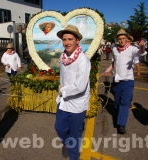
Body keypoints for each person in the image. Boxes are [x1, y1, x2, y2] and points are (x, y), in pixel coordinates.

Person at [54, 25, 91, 160]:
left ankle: (74, 156)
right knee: (59, 128)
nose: (66, 42)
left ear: (77, 41)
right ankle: (67, 143)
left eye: (70, 39)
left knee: (75, 134)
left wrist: (63, 90)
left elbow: (80, 86)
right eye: (64, 39)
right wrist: (62, 91)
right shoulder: (62, 56)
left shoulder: (83, 60)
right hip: (63, 101)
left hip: (77, 103)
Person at [104, 29, 146, 134]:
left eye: (123, 38)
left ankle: (121, 125)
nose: (122, 40)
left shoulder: (132, 49)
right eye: (119, 39)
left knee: (125, 103)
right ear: (117, 40)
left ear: (127, 39)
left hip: (128, 81)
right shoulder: (114, 49)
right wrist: (109, 69)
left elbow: (140, 54)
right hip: (117, 80)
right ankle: (119, 115)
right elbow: (114, 62)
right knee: (117, 103)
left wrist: (141, 46)